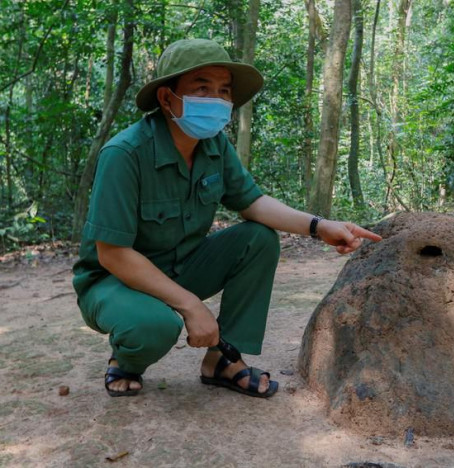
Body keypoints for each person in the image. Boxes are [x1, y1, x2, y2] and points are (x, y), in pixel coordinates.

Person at [72, 38, 382, 398]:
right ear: (166, 97)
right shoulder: (124, 154)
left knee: (259, 238)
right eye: (201, 87)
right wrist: (190, 305)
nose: (215, 99)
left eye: (223, 91)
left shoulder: (215, 145)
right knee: (153, 327)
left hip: (182, 266)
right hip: (115, 281)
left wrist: (320, 226)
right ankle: (127, 361)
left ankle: (222, 360)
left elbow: (252, 202)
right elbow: (112, 254)